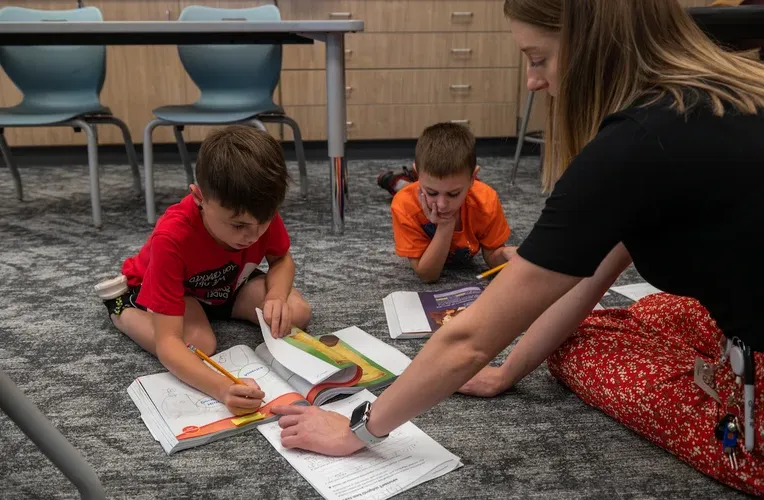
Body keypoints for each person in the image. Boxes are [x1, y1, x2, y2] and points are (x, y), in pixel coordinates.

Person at [270, 0, 764, 496]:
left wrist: (359, 427)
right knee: (621, 318)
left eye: (538, 58)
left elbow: (470, 340)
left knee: (582, 350)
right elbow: (595, 270)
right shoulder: (736, 87)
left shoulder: (633, 147)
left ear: (590, 45)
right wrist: (508, 371)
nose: (533, 81)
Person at [95, 125, 312, 416]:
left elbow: (281, 260)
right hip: (177, 292)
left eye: (264, 223)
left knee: (295, 312)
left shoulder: (256, 211)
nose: (253, 236)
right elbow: (168, 344)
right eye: (238, 226)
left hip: (228, 283)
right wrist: (221, 388)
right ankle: (121, 308)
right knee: (199, 344)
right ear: (199, 198)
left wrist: (275, 294)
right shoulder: (172, 238)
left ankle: (222, 305)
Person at [388, 122, 516, 283]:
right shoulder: (404, 206)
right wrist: (446, 225)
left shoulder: (486, 200)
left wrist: (504, 254)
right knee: (405, 193)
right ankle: (397, 182)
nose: (441, 204)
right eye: (432, 192)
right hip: (413, 195)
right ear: (418, 174)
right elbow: (427, 275)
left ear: (473, 178)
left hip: (472, 192)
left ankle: (400, 181)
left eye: (453, 194)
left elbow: (492, 256)